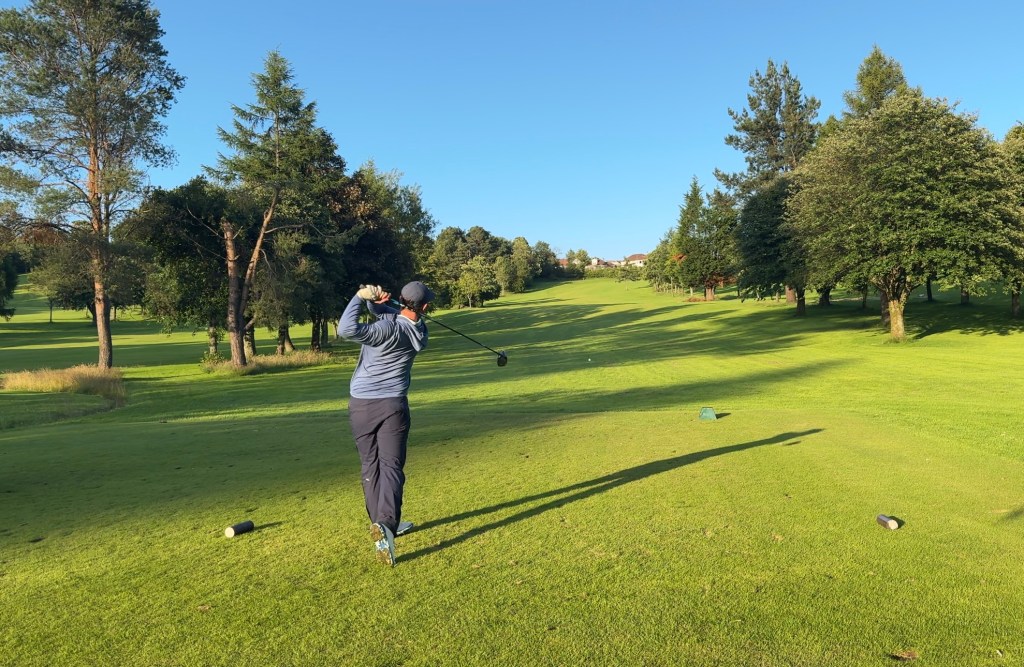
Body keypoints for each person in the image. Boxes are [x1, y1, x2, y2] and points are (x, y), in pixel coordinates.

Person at [337, 280, 434, 566]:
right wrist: (375, 301)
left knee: (371, 464)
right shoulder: (420, 332)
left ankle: (380, 524)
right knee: (391, 466)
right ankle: (386, 525)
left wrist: (359, 297)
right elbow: (386, 313)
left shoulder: (386, 328)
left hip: (361, 405)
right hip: (393, 404)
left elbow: (346, 329)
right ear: (424, 307)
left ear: (404, 300)